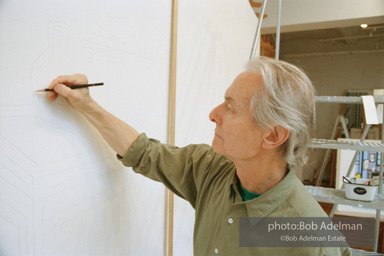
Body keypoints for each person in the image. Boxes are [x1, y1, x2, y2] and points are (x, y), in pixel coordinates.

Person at [48, 57, 351, 255]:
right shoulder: (211, 169)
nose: (213, 114)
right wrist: (87, 104)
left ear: (272, 136)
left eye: (230, 107)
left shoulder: (311, 239)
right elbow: (143, 153)